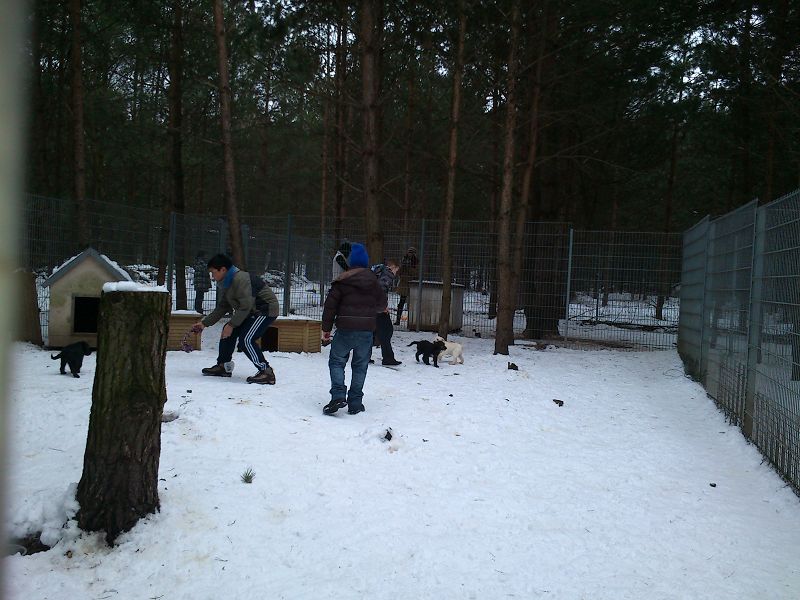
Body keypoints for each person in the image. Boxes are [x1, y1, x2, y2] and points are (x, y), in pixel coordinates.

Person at [189, 254, 280, 385]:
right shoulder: (228, 282)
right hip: (251, 311)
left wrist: (231, 325)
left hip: (265, 310)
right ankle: (223, 366)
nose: (212, 277)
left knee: (246, 340)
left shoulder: (240, 279)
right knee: (227, 331)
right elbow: (223, 307)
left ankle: (266, 372)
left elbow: (246, 306)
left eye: (213, 272)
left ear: (223, 270)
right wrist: (204, 324)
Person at [321, 243, 384, 415]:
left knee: (336, 361)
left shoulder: (342, 281)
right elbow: (381, 305)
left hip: (345, 330)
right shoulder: (374, 283)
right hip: (366, 332)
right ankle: (355, 402)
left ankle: (338, 396)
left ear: (351, 262)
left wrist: (326, 329)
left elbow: (330, 307)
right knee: (360, 366)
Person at [371, 259, 401, 366]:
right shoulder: (387, 274)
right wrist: (383, 306)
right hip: (378, 308)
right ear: (393, 267)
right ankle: (388, 358)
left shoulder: (378, 271)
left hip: (371, 306)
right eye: (396, 270)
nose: (396, 273)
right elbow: (381, 289)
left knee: (373, 332)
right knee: (387, 331)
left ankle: (364, 355)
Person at [395, 246, 418, 325]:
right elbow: (398, 272)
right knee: (401, 303)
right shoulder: (403, 260)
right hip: (404, 284)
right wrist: (403, 266)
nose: (410, 254)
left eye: (412, 252)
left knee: (412, 304)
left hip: (412, 284)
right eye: (409, 252)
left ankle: (412, 322)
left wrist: (408, 267)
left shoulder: (416, 262)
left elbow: (415, 273)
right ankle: (398, 320)